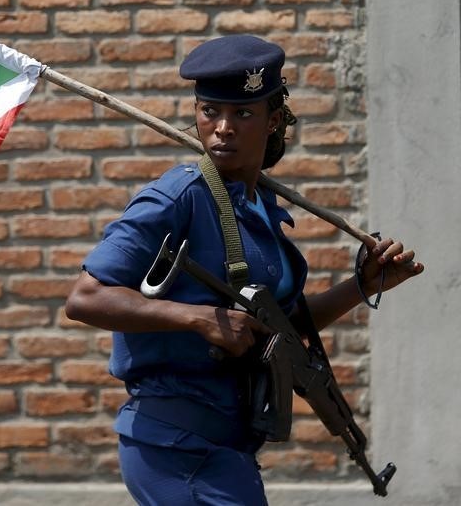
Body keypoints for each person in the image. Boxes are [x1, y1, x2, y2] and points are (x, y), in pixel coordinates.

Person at [64, 34, 424, 506]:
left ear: (273, 121)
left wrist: (363, 284)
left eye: (243, 114)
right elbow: (86, 298)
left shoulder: (260, 211)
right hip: (175, 446)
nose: (223, 128)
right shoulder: (178, 196)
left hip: (228, 446)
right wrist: (198, 319)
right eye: (210, 111)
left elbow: (280, 328)